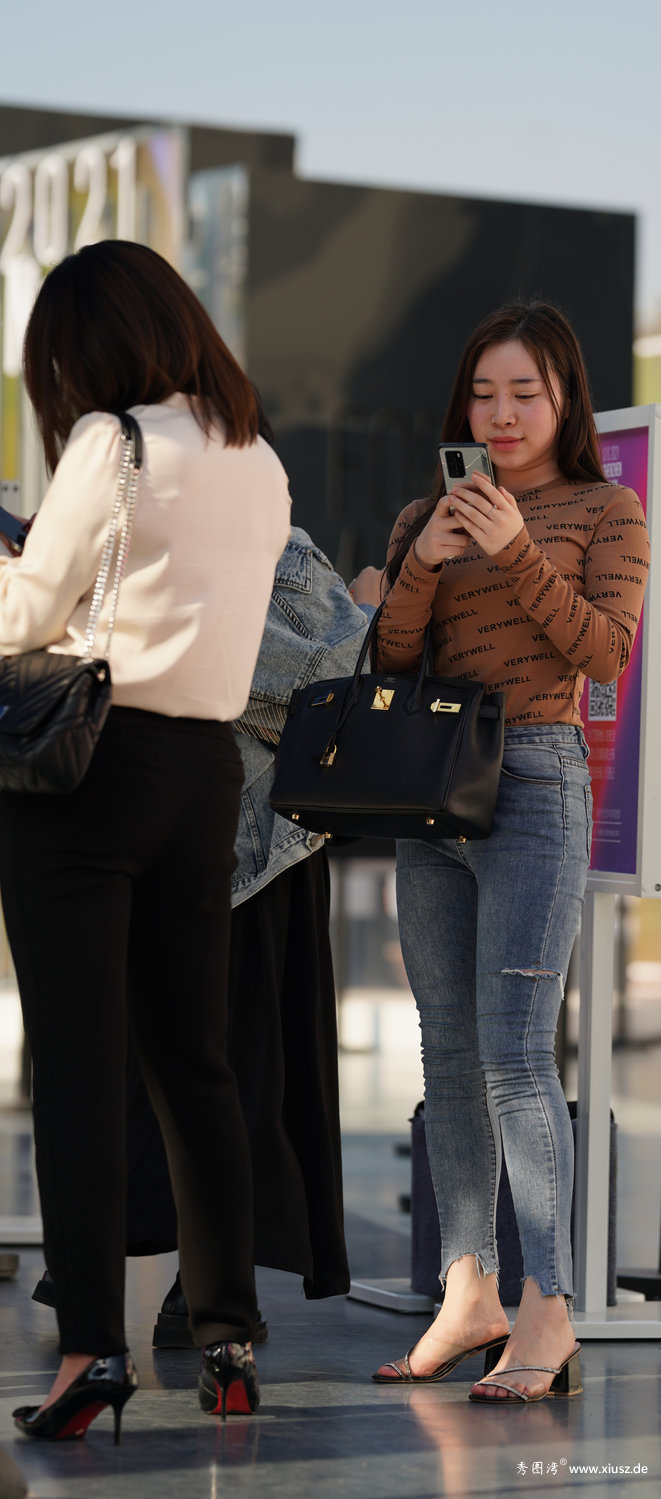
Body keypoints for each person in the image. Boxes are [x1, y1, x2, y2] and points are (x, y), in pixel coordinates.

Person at [0, 240, 290, 1442]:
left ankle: (91, 1351)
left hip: (86, 765)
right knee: (192, 1063)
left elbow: (30, 614)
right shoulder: (256, 454)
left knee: (77, 1067)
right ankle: (228, 1336)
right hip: (202, 770)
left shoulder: (109, 441)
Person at [369, 302, 649, 1402]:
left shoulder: (606, 509)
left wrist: (516, 552)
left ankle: (549, 1306)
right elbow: (390, 657)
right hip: (429, 783)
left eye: (524, 393)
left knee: (517, 1055)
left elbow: (604, 651)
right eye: (484, 394)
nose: (502, 414)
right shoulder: (423, 514)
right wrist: (423, 563)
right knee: (445, 1053)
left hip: (533, 776)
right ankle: (467, 1291)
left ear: (564, 399)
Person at [119, 525, 378, 1342]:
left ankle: (142, 1276)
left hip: (161, 832)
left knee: (160, 1061)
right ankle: (203, 1291)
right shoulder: (276, 547)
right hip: (253, 848)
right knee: (240, 1069)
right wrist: (371, 611)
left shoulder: (128, 543)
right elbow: (325, 689)